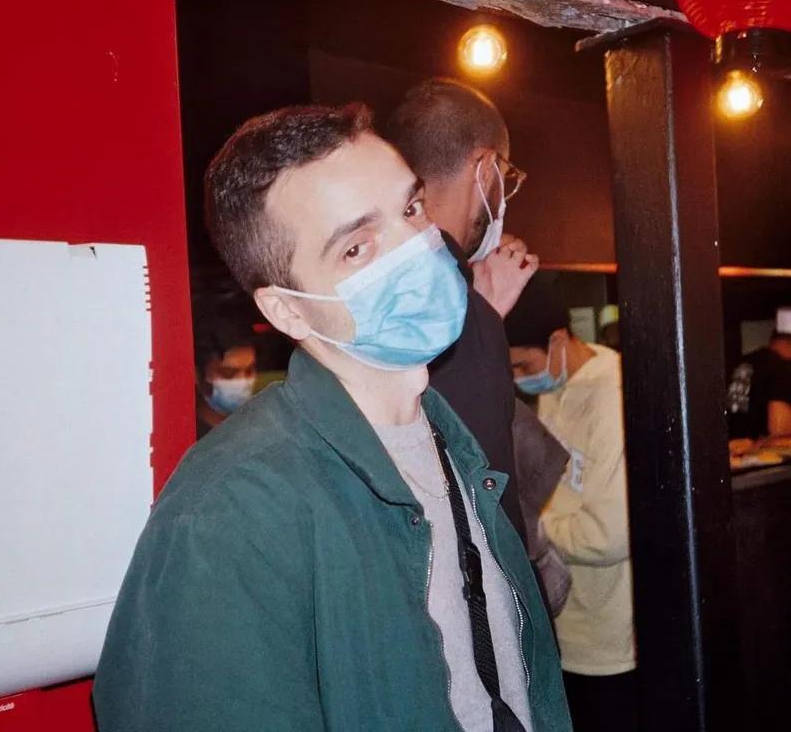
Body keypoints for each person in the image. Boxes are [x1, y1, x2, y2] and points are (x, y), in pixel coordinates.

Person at [93, 104, 571, 732]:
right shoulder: (228, 509)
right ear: (288, 311)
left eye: (409, 210)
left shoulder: (451, 446)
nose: (416, 249)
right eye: (356, 248)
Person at [386, 78, 565, 550]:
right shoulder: (453, 297)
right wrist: (481, 320)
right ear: (485, 168)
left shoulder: (381, 279)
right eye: (508, 177)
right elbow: (485, 515)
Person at [505, 276, 636, 732]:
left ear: (559, 340)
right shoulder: (554, 390)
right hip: (566, 626)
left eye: (524, 366)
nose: (521, 380)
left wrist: (536, 528)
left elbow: (610, 534)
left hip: (609, 640)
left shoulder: (616, 396)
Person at [192, 305, 259, 438]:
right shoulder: (189, 442)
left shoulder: (258, 430)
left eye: (249, 371)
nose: (243, 381)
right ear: (196, 374)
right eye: (228, 373)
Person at [727, 307, 791, 441]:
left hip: (731, 452)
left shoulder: (744, 362)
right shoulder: (783, 369)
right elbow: (779, 431)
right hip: (760, 456)